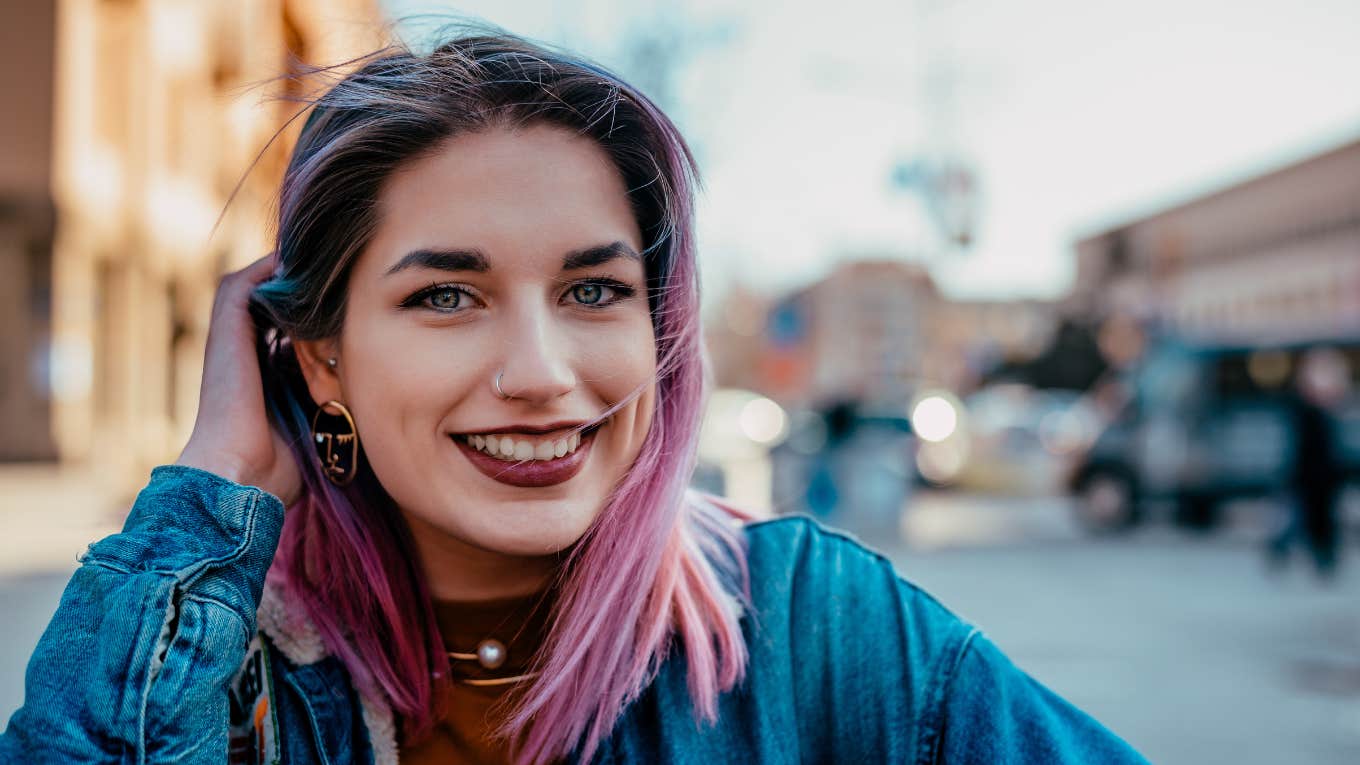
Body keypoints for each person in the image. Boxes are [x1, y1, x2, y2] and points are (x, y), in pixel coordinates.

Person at [0, 32, 1148, 764]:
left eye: (594, 288)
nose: (544, 373)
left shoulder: (821, 633)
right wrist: (212, 497)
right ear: (317, 358)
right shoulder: (224, 664)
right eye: (446, 297)